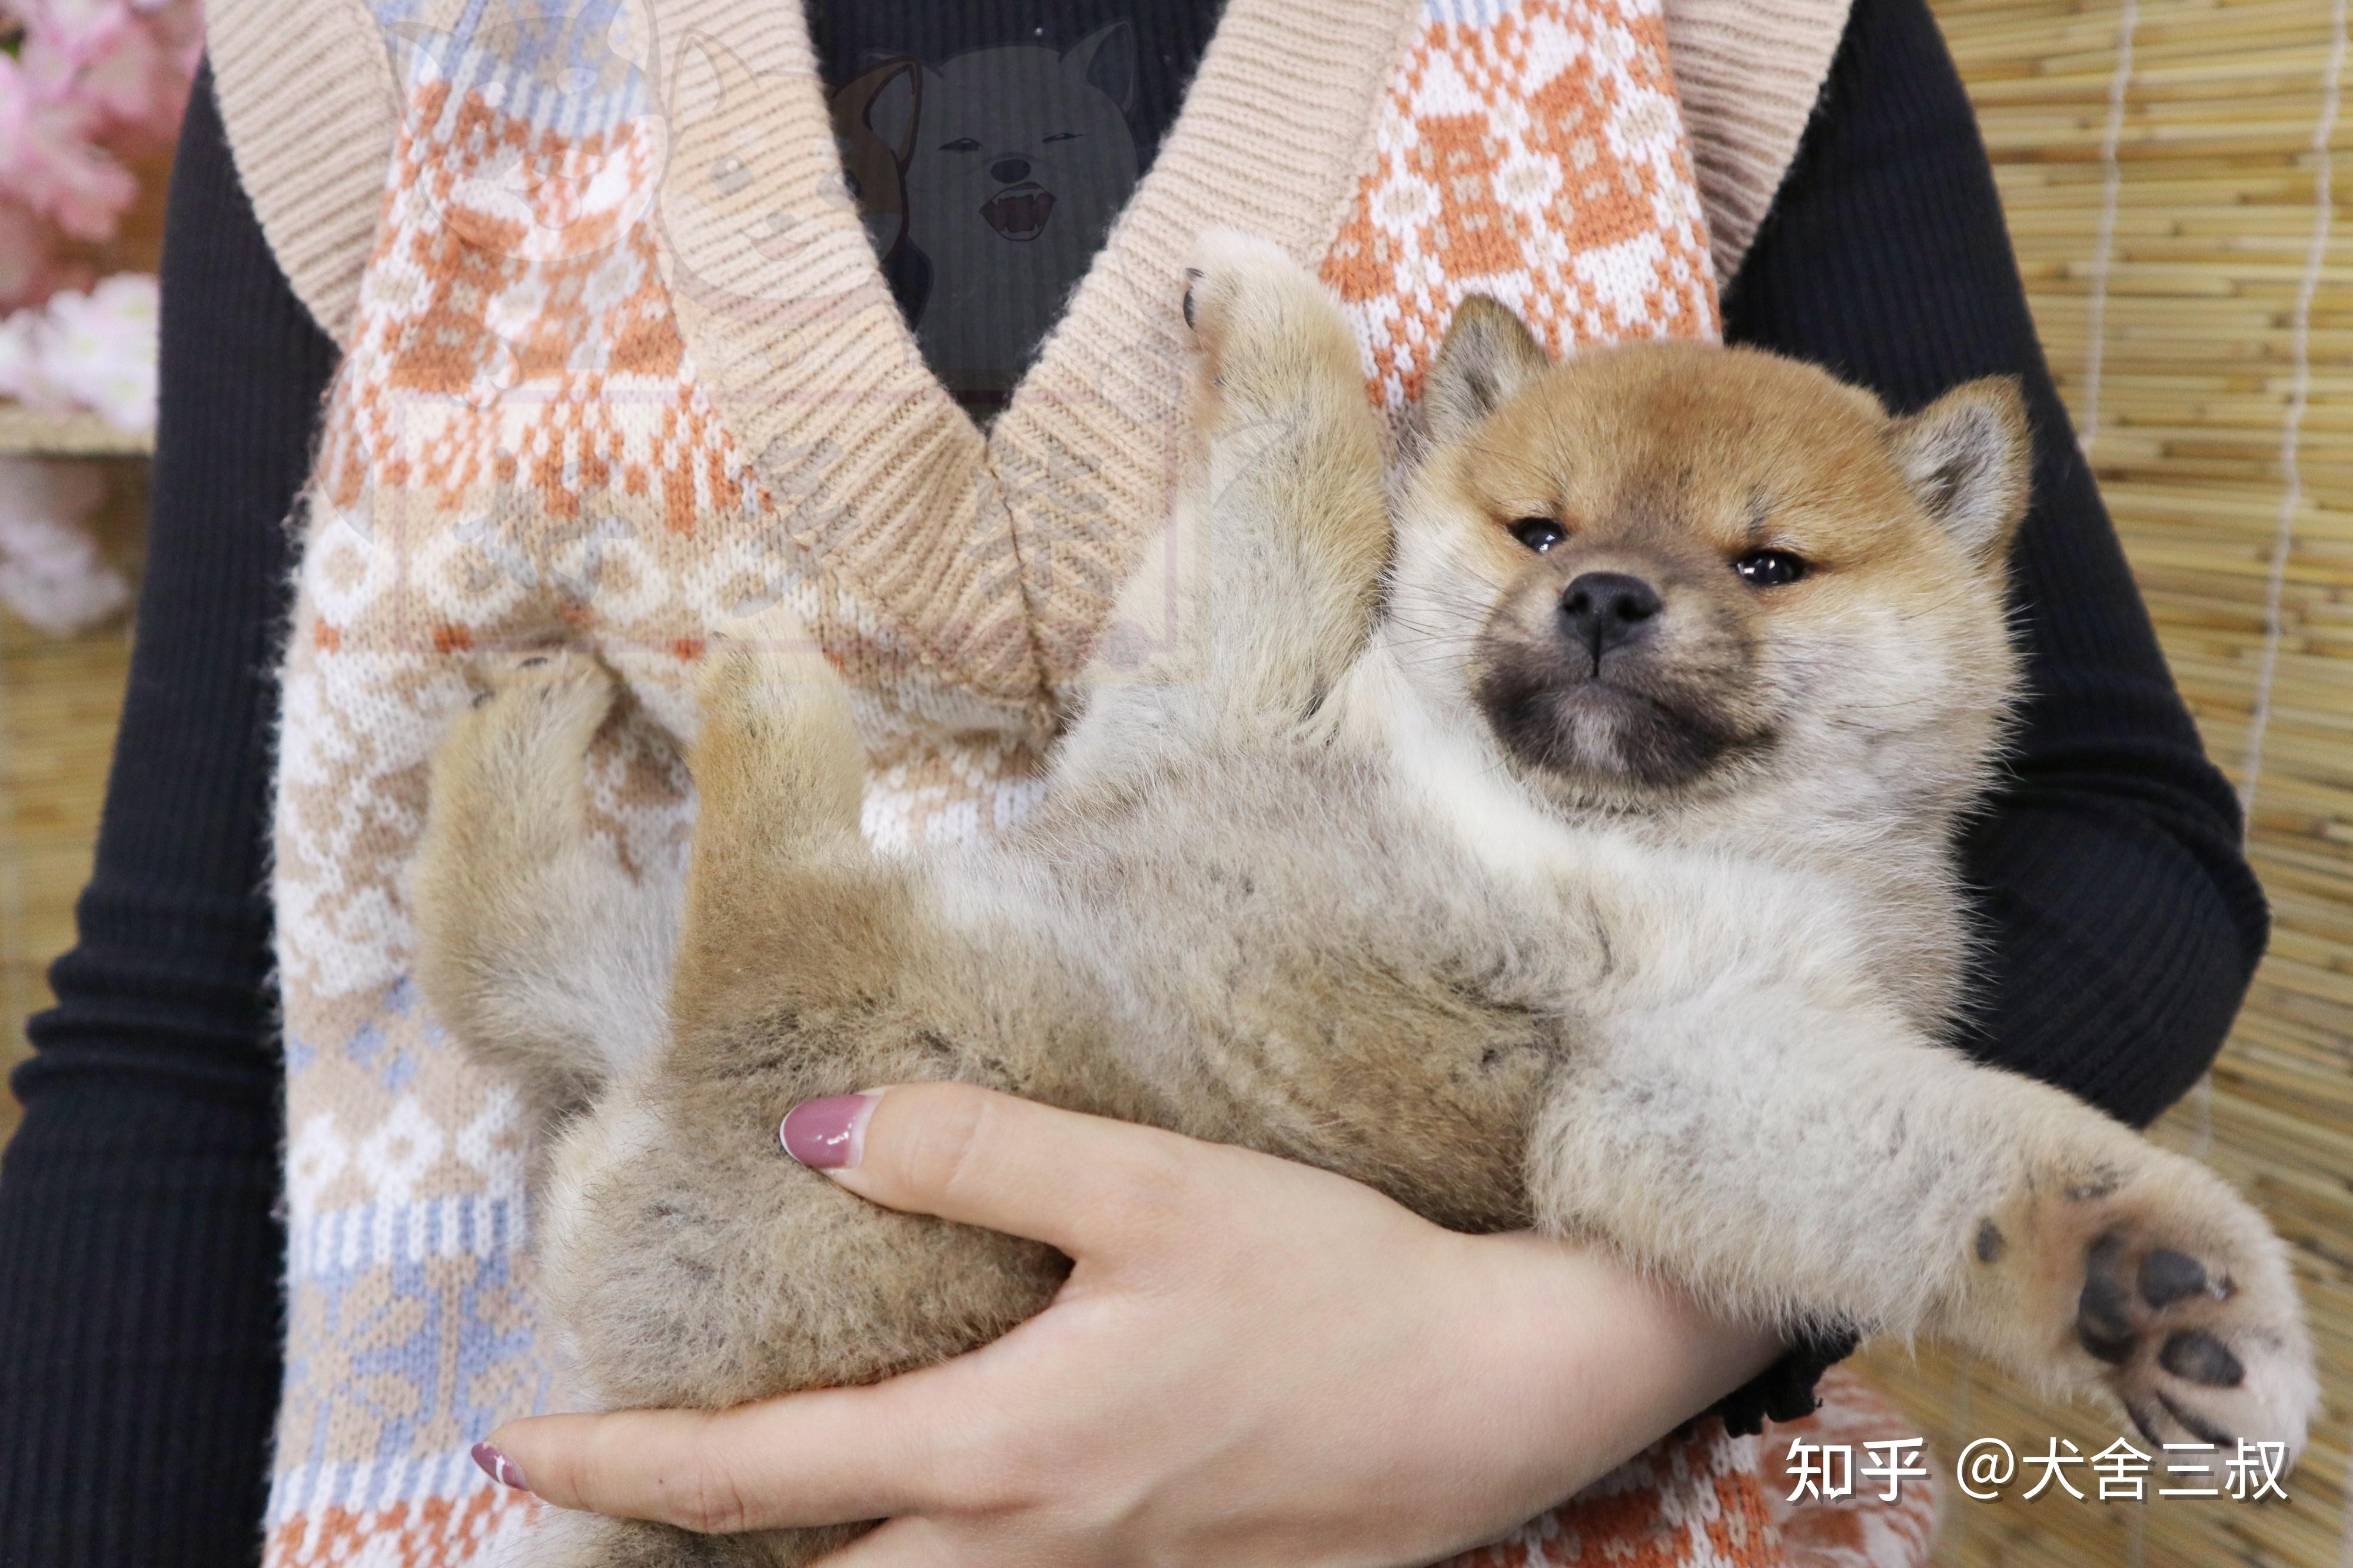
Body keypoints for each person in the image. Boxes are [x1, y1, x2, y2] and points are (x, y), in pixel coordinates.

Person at [0, 0, 2265, 1563]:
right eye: (1551, 542)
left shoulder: (1708, 22)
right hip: (569, 1425)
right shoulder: (374, 48)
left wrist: (1546, 1361)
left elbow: (2119, 844)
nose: (1609, 593)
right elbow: (193, 1033)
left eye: (1751, 567)